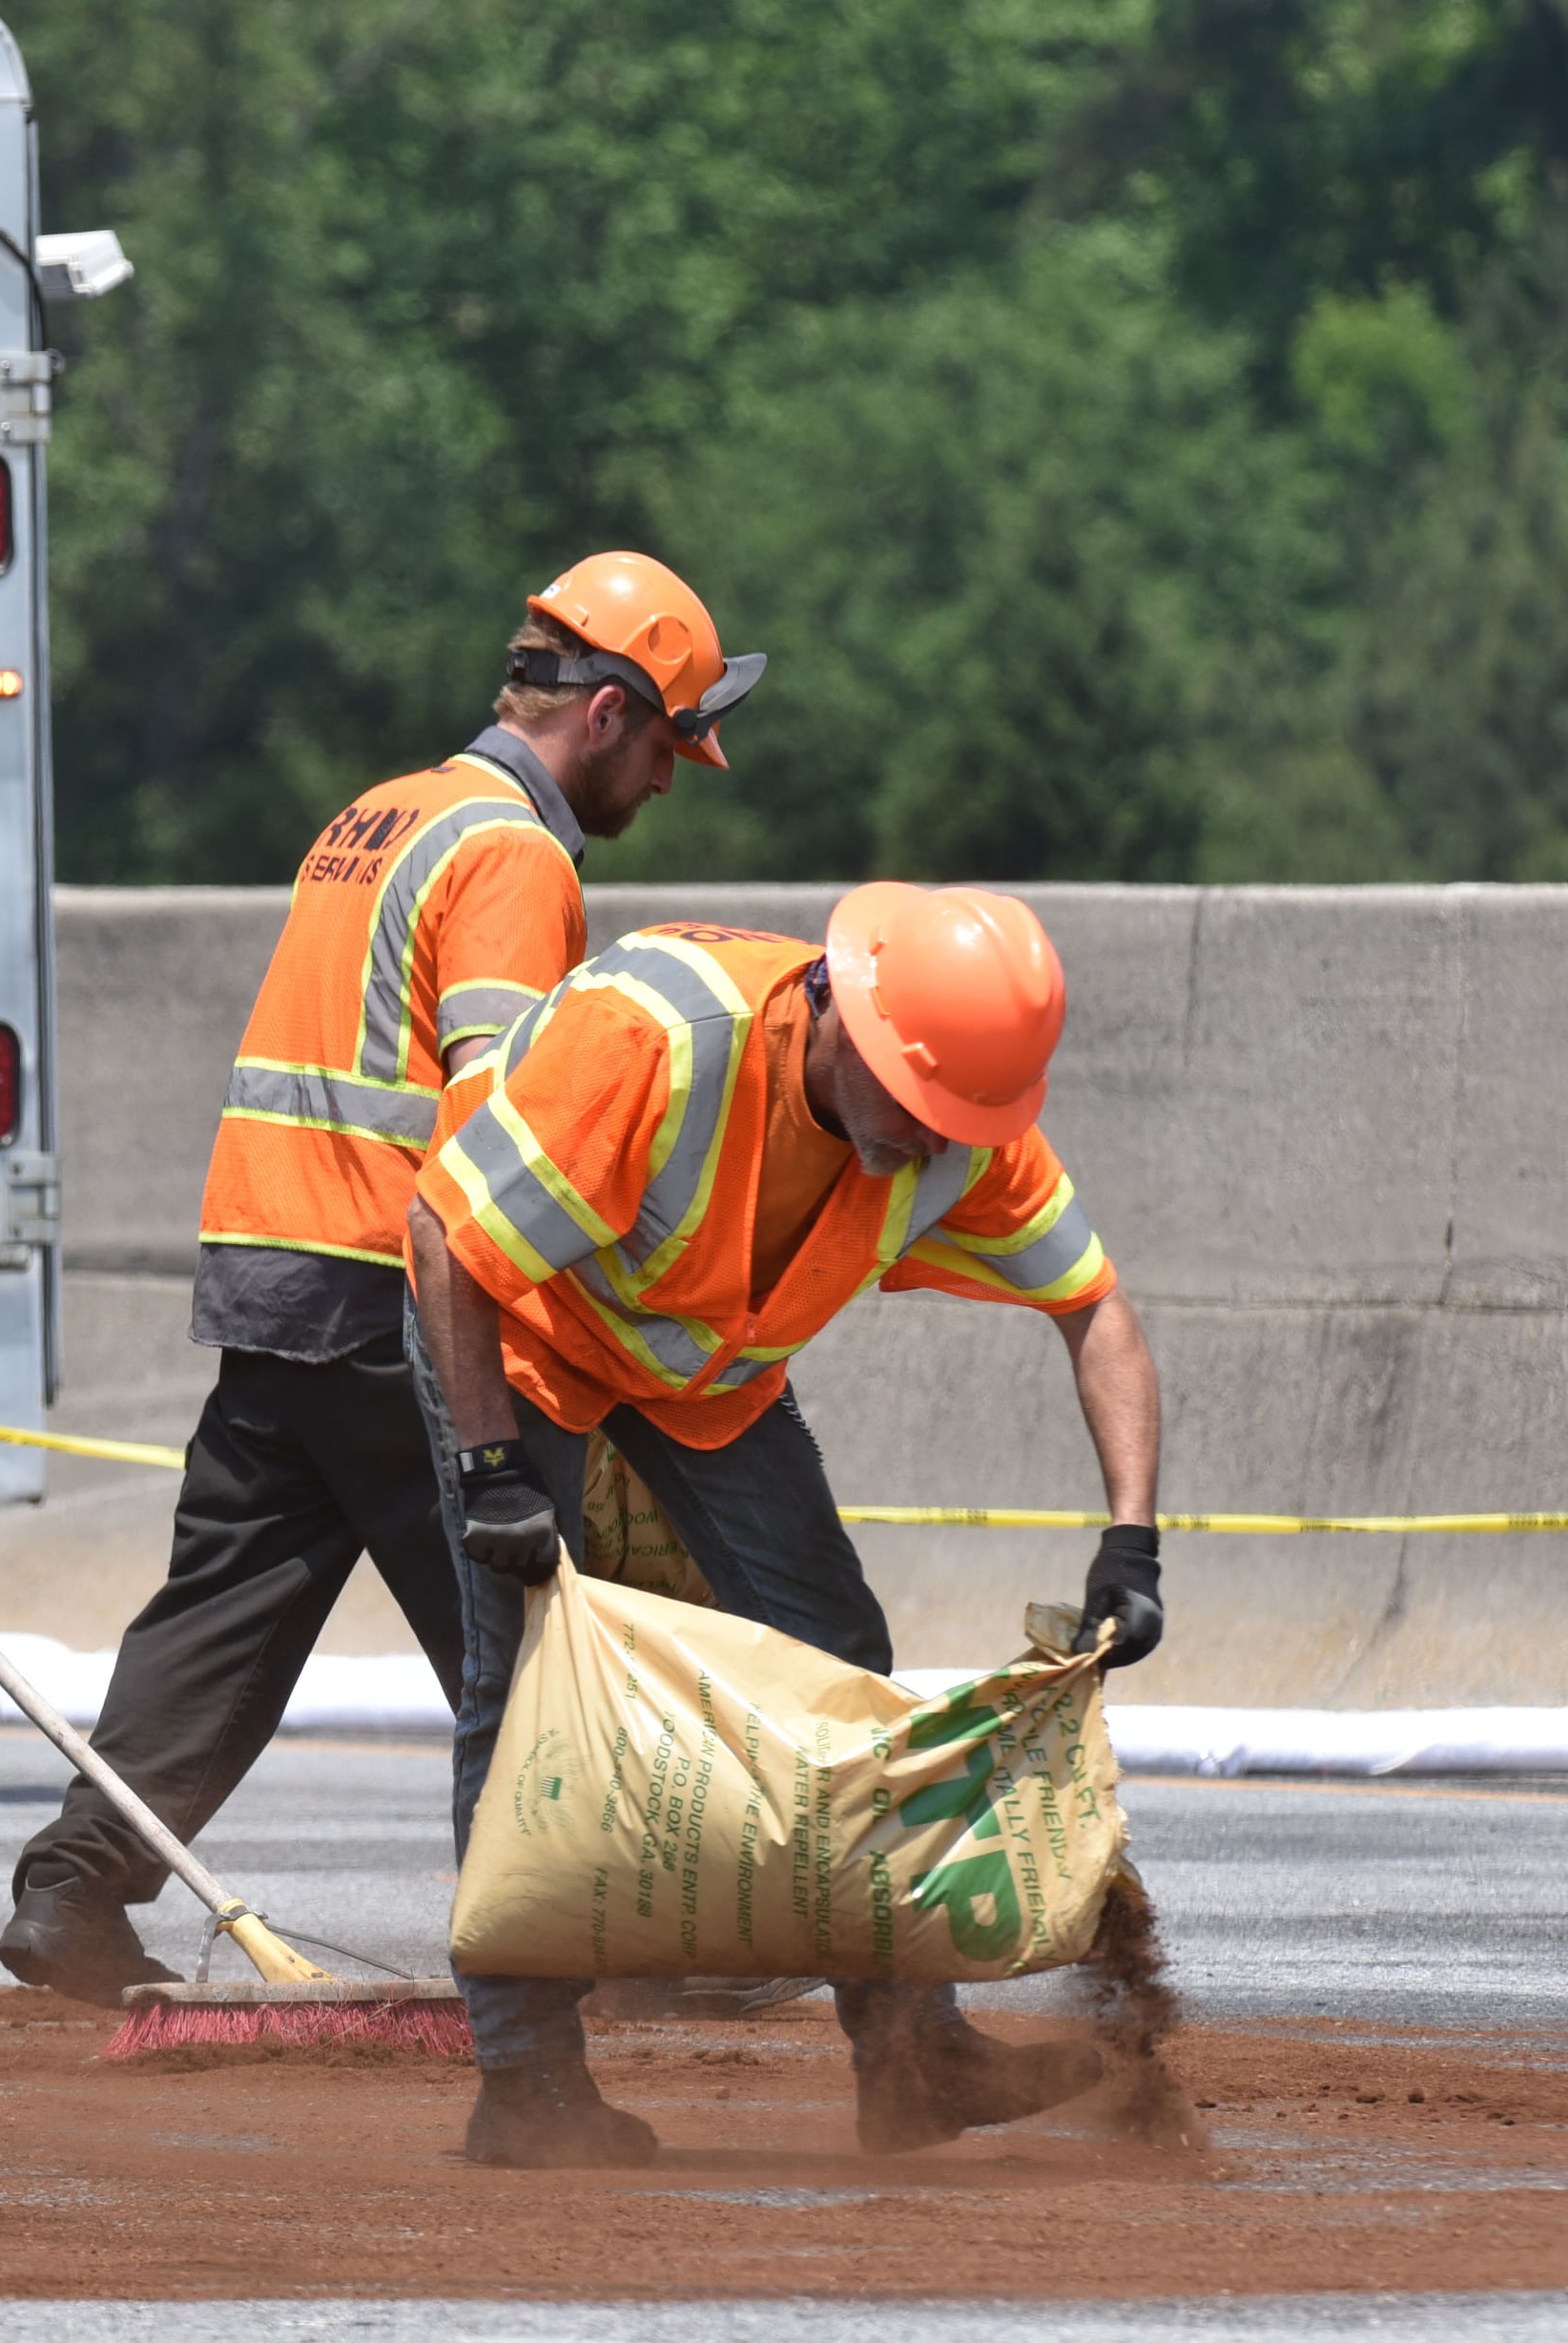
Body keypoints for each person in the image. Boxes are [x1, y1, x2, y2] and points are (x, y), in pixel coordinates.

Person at [0, 554, 765, 2004]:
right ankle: (643, 1942)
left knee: (227, 1608)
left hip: (274, 1274)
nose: (672, 780)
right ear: (606, 714)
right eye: (669, 744)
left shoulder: (383, 812)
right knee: (539, 1622)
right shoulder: (514, 858)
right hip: (389, 1290)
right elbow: (505, 1129)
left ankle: (73, 1889)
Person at [408, 882, 1165, 2166]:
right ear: (838, 1014)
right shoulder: (654, 1046)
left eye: (955, 1125)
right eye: (913, 1111)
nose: (929, 1146)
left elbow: (1097, 1314)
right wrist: (491, 1469)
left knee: (836, 1654)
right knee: (520, 1679)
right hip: (517, 1330)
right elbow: (442, 1241)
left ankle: (914, 2062)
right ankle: (526, 2084)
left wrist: (1132, 1542)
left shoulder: (962, 1128)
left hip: (703, 1369)